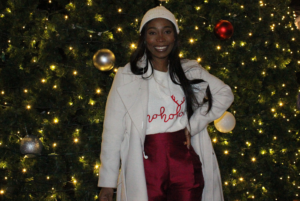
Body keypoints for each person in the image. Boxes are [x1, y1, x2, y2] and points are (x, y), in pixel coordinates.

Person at [98, 6, 234, 201]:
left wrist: (193, 125)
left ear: (175, 37)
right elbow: (112, 131)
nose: (160, 39)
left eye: (167, 31)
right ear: (144, 38)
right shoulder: (126, 76)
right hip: (146, 164)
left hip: (184, 162)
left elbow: (224, 94)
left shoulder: (189, 70)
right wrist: (107, 184)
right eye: (153, 33)